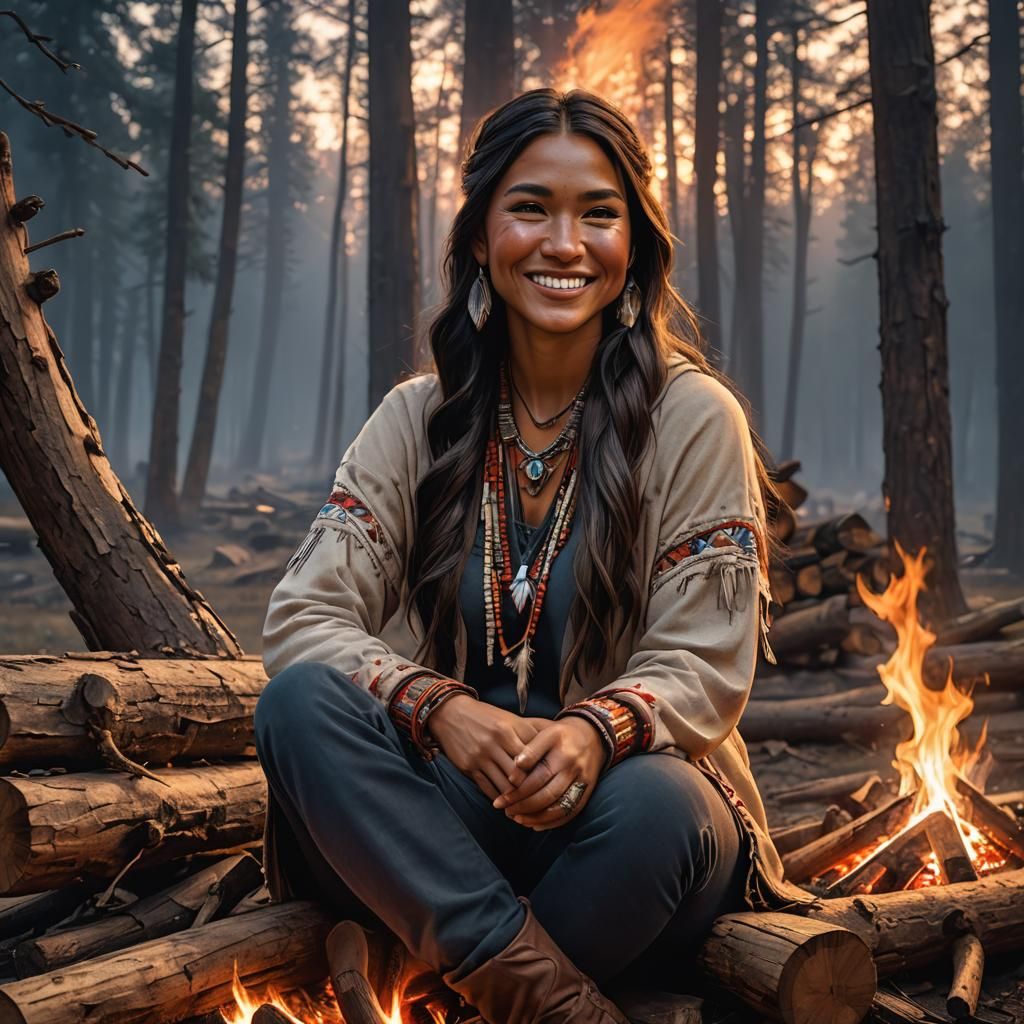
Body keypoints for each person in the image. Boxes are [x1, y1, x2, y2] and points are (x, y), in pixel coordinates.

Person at [254, 87, 811, 1024]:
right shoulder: (415, 419)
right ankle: (549, 1007)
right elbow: (303, 619)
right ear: (479, 237)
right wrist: (443, 713)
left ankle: (448, 985)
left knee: (664, 807)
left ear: (633, 246)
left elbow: (706, 660)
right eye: (530, 208)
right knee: (300, 706)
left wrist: (595, 735)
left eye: (599, 214)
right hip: (443, 825)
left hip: (615, 838)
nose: (565, 243)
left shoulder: (691, 417)